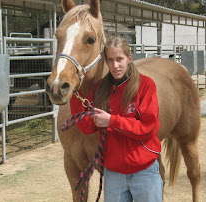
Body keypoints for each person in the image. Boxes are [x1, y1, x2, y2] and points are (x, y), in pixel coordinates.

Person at [70, 35, 163, 202]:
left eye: (119, 59)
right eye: (110, 60)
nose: (115, 65)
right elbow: (87, 127)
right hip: (114, 174)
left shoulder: (145, 85)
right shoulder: (100, 89)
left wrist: (112, 121)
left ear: (129, 58)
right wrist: (73, 93)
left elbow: (147, 128)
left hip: (145, 171)